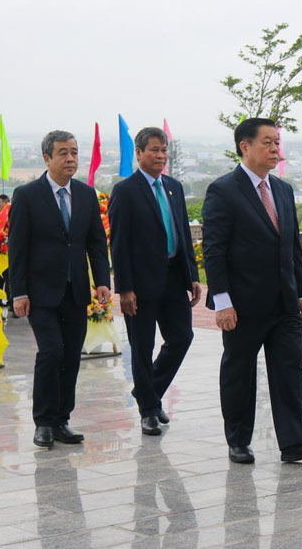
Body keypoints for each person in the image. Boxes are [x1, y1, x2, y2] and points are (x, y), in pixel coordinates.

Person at [202, 118, 302, 465]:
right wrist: (223, 302)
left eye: (277, 142)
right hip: (242, 305)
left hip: (285, 303)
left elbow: (292, 246)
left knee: (290, 370)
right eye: (267, 142)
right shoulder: (223, 190)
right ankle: (238, 440)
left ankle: (294, 442)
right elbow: (214, 251)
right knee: (239, 372)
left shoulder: (284, 190)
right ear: (244, 147)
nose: (276, 149)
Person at [9, 130, 111, 448]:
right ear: (47, 158)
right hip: (40, 293)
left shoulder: (85, 194)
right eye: (63, 153)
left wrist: (103, 280)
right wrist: (19, 292)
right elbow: (18, 248)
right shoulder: (27, 195)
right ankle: (43, 421)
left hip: (76, 290)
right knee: (51, 352)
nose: (70, 159)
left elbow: (95, 242)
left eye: (74, 153)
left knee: (70, 357)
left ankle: (62, 420)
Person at [109, 127, 201, 436]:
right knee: (142, 347)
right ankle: (148, 410)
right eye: (153, 150)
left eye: (164, 150)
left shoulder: (173, 187)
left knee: (181, 338)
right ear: (138, 153)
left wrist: (193, 275)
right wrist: (124, 288)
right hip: (141, 284)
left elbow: (184, 235)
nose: (160, 155)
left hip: (174, 279)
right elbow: (119, 243)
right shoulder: (125, 190)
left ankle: (148, 391)